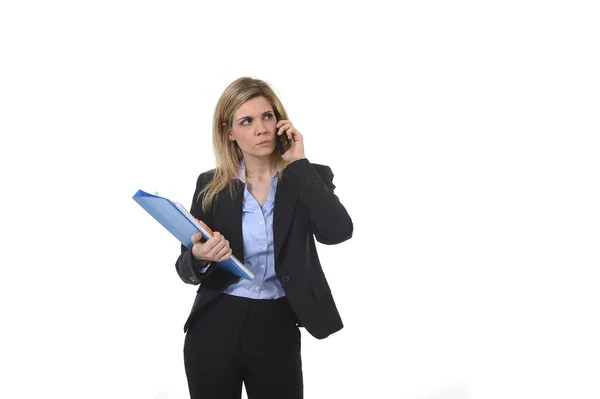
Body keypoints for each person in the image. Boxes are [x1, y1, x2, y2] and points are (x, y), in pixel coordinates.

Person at [175, 77, 353, 399]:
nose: (261, 129)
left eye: (267, 117)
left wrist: (298, 163)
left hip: (277, 325)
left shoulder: (307, 177)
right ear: (229, 132)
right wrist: (201, 256)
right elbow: (185, 268)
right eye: (247, 121)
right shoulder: (211, 185)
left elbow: (338, 232)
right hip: (215, 325)